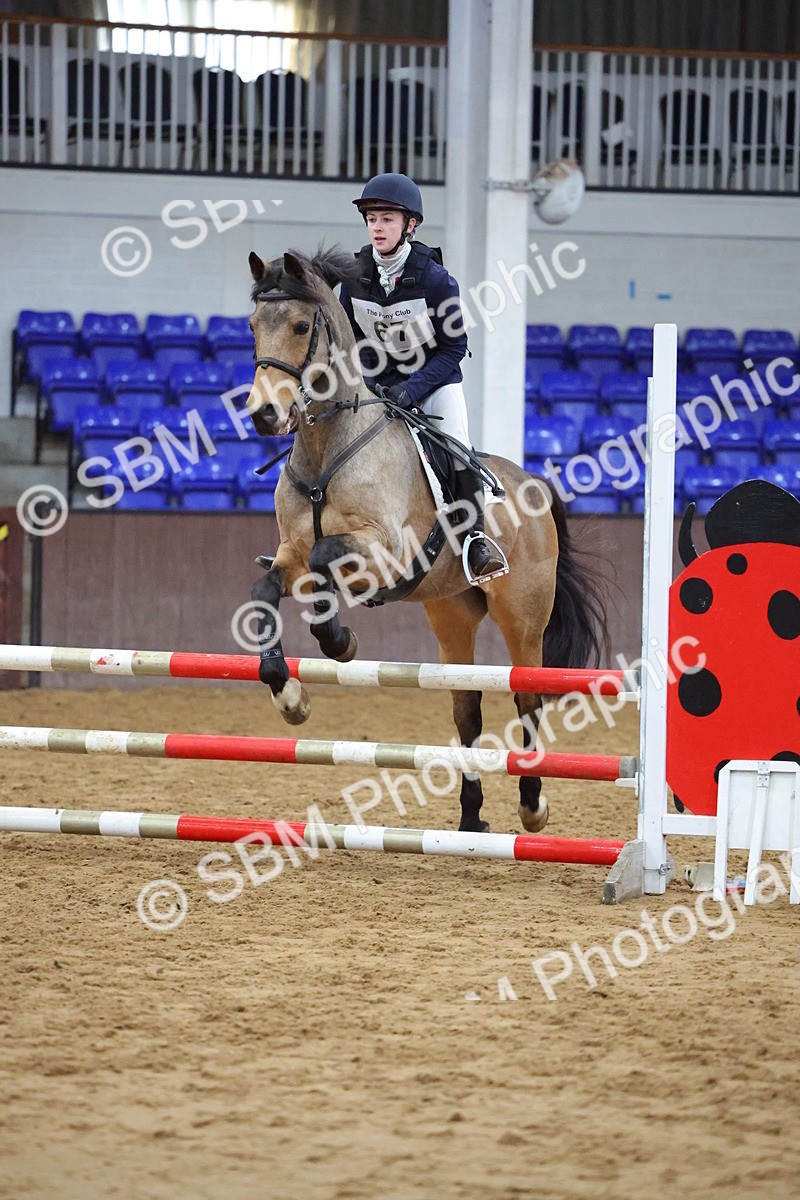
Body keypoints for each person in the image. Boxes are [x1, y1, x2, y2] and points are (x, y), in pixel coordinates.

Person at [338, 172, 508, 585]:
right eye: (372, 219)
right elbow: (351, 340)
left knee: (456, 447)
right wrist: (371, 381)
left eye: (387, 220)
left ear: (410, 225)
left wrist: (412, 389)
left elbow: (453, 348)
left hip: (434, 384)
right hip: (380, 386)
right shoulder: (353, 276)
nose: (377, 227)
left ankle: (476, 540)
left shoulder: (435, 281)